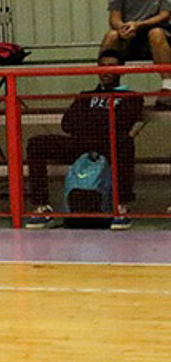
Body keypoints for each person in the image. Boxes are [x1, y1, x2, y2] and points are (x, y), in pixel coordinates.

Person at [25, 50, 143, 231]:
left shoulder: (131, 97)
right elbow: (68, 123)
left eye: (112, 67)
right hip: (80, 144)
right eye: (102, 66)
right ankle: (42, 207)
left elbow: (123, 123)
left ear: (122, 70)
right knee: (36, 143)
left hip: (109, 144)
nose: (106, 71)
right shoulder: (85, 95)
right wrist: (102, 121)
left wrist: (90, 120)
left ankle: (121, 207)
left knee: (125, 142)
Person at [99, 0, 171, 107]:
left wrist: (138, 25)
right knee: (111, 35)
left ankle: (168, 87)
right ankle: (108, 88)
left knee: (156, 33)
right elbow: (114, 17)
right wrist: (121, 28)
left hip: (159, 36)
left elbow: (165, 15)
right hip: (129, 36)